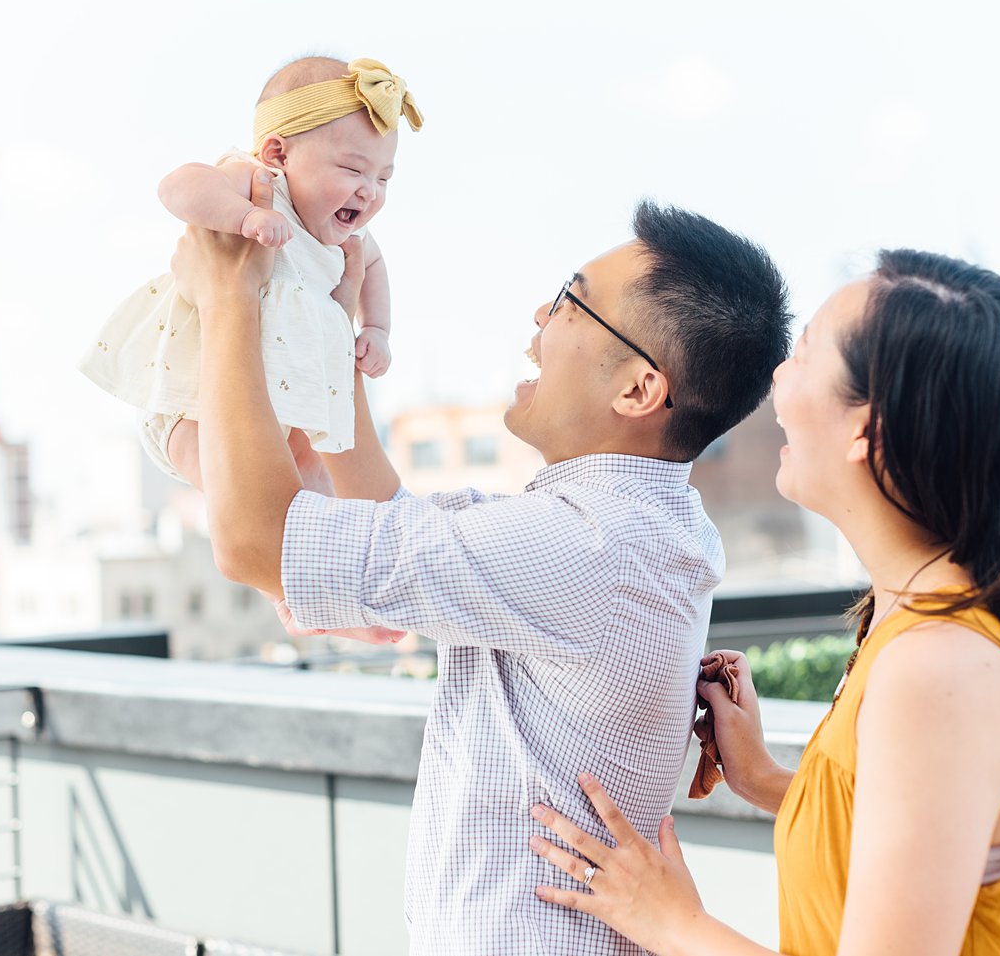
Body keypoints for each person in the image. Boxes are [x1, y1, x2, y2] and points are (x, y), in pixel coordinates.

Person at [165, 178, 792, 953]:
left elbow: (256, 540)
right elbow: (392, 528)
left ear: (638, 387)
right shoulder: (641, 525)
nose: (541, 315)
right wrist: (332, 339)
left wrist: (230, 296)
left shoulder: (586, 545)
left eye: (570, 300)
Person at [528, 250, 1000, 955]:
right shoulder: (960, 612)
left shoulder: (940, 666)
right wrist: (762, 778)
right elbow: (934, 838)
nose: (777, 380)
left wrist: (672, 922)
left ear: (869, 430)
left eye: (802, 354)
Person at [77, 56, 421, 488]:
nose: (369, 190)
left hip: (283, 408)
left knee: (311, 494)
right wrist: (242, 217)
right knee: (236, 486)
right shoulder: (261, 183)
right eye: (353, 169)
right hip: (195, 403)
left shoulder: (349, 238)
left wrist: (376, 329)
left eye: (383, 178)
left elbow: (373, 266)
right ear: (279, 154)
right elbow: (177, 186)